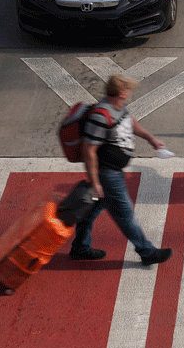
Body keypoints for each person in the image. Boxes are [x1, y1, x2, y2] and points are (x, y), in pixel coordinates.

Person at [70, 74, 173, 266]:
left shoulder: (117, 108)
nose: (130, 93)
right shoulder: (100, 116)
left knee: (89, 211)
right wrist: (95, 181)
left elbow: (130, 122)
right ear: (121, 92)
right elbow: (89, 150)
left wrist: (151, 139)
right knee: (125, 215)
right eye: (129, 89)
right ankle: (147, 252)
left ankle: (80, 247)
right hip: (107, 174)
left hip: (112, 172)